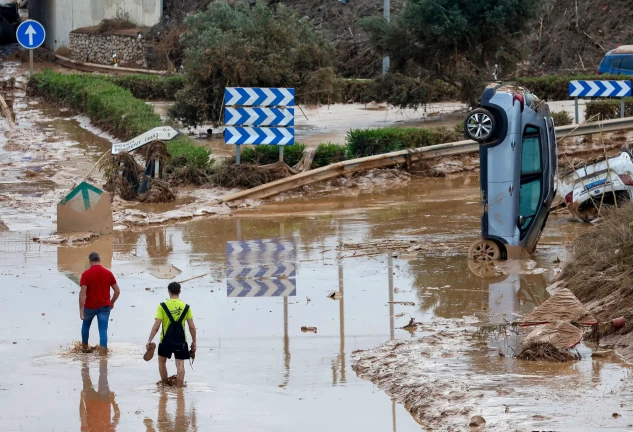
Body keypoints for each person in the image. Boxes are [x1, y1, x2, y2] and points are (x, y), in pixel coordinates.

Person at [146, 282, 196, 388]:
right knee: (180, 364)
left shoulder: (162, 306)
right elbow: (192, 327)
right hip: (181, 341)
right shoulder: (186, 307)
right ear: (180, 292)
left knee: (162, 362)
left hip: (165, 341)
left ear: (168, 292)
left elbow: (156, 326)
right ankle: (179, 389)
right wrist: (194, 341)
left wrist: (149, 340)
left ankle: (164, 385)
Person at [79, 252, 120, 352]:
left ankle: (84, 348)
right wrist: (112, 302)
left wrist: (81, 309)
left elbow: (82, 294)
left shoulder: (86, 274)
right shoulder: (108, 273)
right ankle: (103, 352)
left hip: (90, 306)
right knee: (103, 329)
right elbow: (117, 291)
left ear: (90, 261)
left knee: (86, 326)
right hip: (105, 306)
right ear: (99, 260)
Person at [80, 357, 120, 431]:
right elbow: (83, 417)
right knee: (85, 375)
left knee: (103, 374)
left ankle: (99, 356)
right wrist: (81, 399)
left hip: (100, 401)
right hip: (95, 401)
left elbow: (117, 416)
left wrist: (113, 401)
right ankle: (86, 356)